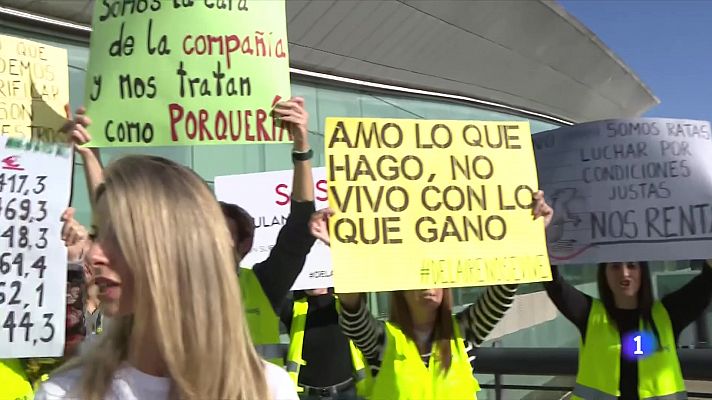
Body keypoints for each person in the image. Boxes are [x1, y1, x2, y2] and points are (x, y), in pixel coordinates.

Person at [34, 155, 297, 400]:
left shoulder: (266, 388)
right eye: (98, 233)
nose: (94, 255)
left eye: (119, 236)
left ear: (178, 248)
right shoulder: (66, 392)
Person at [310, 192, 554, 400]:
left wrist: (528, 237)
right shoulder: (383, 340)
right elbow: (352, 311)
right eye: (418, 276)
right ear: (400, 290)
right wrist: (342, 251)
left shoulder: (463, 333)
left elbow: (502, 293)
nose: (428, 284)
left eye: (435, 274)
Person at [221, 96, 317, 365]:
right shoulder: (176, 289)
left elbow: (300, 230)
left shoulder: (263, 285)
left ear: (243, 245)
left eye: (222, 235)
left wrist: (301, 147)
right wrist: (91, 154)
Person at [544, 260, 712, 400]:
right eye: (615, 266)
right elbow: (553, 283)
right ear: (604, 273)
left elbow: (707, 282)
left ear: (643, 272)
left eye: (632, 265)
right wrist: (539, 233)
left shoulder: (667, 315)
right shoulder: (589, 314)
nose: (624, 273)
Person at [280, 288, 371, 399]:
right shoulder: (293, 308)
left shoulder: (345, 304)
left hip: (346, 393)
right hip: (307, 395)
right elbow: (273, 286)